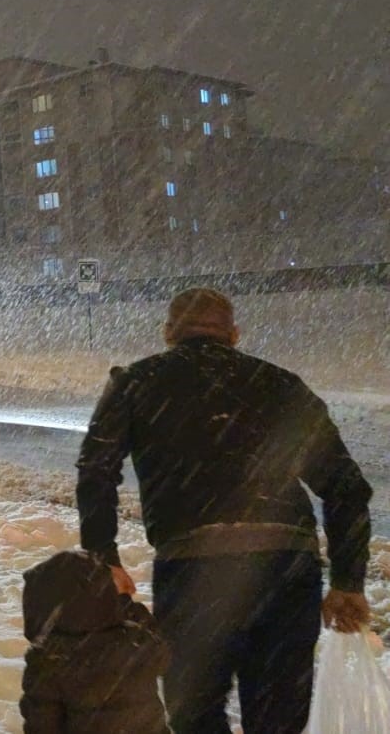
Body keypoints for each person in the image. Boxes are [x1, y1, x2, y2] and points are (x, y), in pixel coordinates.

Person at [77, 287, 373, 734]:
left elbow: (96, 470)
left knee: (194, 712)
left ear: (168, 333)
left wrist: (104, 556)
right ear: (234, 334)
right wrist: (347, 582)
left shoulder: (136, 383)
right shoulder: (280, 385)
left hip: (194, 572)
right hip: (286, 571)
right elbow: (347, 487)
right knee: (277, 717)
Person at [20, 549, 170, 733]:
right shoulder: (134, 640)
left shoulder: (48, 659)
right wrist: (122, 601)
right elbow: (162, 658)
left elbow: (42, 725)